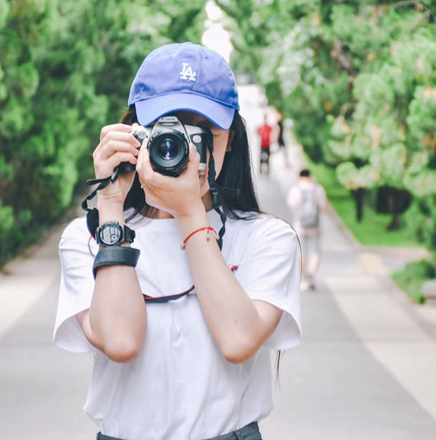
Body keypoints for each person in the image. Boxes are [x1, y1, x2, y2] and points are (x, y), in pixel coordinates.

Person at [53, 42, 302, 440]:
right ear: (134, 134)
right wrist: (111, 206)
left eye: (204, 135)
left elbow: (238, 340)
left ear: (230, 141)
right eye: (168, 129)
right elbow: (120, 341)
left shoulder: (267, 238)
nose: (185, 150)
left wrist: (190, 214)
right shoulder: (88, 237)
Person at [287, 169, 327, 291]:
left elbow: (293, 206)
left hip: (300, 226)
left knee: (301, 253)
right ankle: (311, 276)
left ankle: (303, 279)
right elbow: (323, 207)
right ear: (310, 176)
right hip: (315, 227)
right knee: (315, 252)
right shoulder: (318, 189)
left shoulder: (295, 189)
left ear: (300, 177)